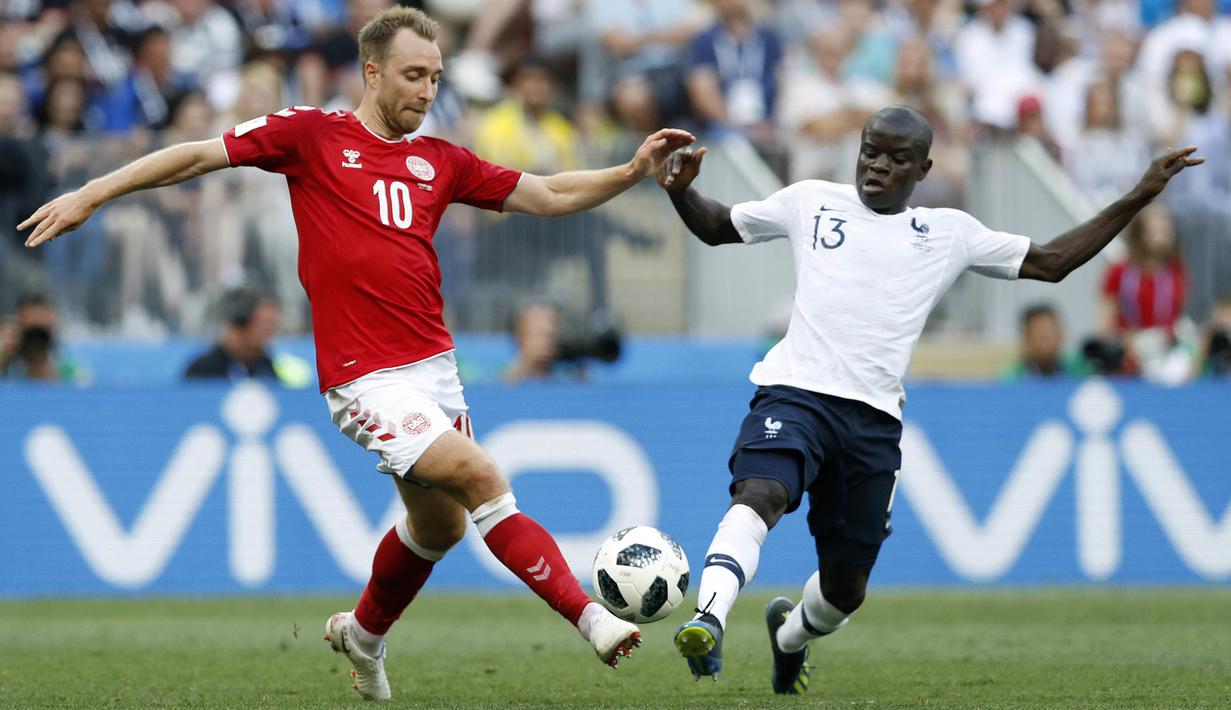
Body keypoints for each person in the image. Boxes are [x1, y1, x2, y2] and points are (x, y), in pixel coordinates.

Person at [18, 6, 694, 702]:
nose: (426, 92)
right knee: (480, 476)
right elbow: (196, 154)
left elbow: (548, 193)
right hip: (364, 378)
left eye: (435, 78)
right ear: (372, 72)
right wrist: (93, 193)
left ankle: (364, 635)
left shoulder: (442, 161)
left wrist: (633, 169)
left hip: (434, 370)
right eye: (411, 76)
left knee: (440, 524)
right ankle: (590, 619)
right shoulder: (310, 135)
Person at [655, 105, 1200, 694]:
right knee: (761, 492)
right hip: (795, 393)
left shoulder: (949, 233)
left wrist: (1139, 195)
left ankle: (789, 636)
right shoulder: (808, 200)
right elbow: (717, 226)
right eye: (871, 151)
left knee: (844, 591)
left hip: (872, 421)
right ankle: (708, 617)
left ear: (924, 168)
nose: (878, 166)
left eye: (896, 158)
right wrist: (683, 193)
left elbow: (1054, 262)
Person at [183, 286, 282, 382]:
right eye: (263, 326)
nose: (269, 335)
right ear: (236, 328)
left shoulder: (268, 370)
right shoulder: (202, 372)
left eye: (272, 327)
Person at [1000, 303, 1089, 380]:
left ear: (1060, 335)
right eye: (1037, 331)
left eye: (1049, 330)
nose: (1044, 337)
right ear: (1025, 338)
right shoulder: (1011, 380)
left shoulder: (1081, 372)